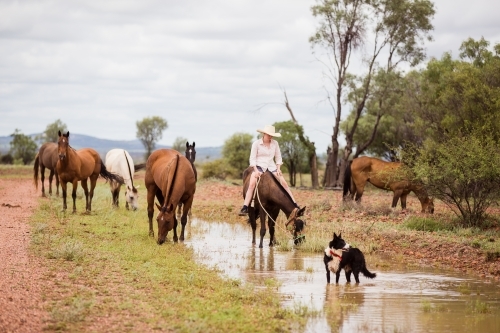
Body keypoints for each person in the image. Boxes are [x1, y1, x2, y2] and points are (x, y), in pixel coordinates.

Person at [239, 125, 299, 216]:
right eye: (269, 135)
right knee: (251, 184)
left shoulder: (275, 143)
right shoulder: (256, 144)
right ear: (264, 134)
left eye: (272, 135)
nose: (270, 137)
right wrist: (255, 170)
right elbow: (252, 159)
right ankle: (245, 207)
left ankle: (295, 204)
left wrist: (278, 168)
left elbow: (278, 157)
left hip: (272, 167)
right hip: (259, 166)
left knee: (284, 184)